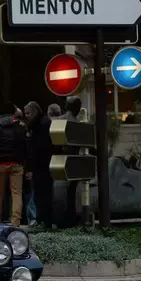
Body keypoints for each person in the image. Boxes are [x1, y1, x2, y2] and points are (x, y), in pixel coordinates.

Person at [0, 111, 28, 226]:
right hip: (16, 163)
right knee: (16, 193)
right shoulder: (21, 126)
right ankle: (16, 221)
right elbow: (26, 146)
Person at [24, 101, 54, 230]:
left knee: (42, 194)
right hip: (42, 165)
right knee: (40, 194)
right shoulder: (40, 123)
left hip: (43, 165)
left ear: (35, 112)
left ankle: (43, 220)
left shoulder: (41, 125)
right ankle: (43, 220)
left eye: (28, 113)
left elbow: (39, 147)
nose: (26, 116)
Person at [56, 96, 82, 228]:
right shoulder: (77, 123)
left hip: (60, 159)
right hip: (71, 160)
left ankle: (63, 219)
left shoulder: (59, 120)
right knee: (70, 193)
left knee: (63, 192)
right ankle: (68, 219)